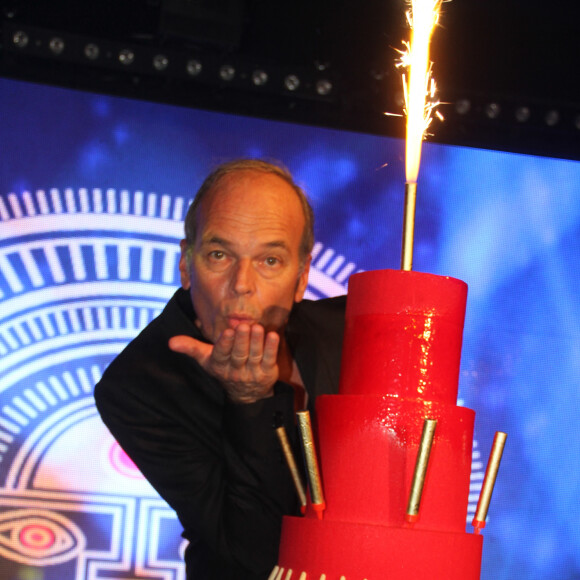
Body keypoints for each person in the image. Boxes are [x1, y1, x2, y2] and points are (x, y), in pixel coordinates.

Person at [94, 159, 346, 579]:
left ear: (302, 276)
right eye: (219, 254)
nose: (242, 283)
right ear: (186, 264)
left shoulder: (354, 331)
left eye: (270, 260)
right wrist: (249, 402)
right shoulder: (139, 385)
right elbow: (255, 555)